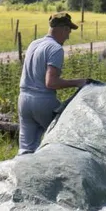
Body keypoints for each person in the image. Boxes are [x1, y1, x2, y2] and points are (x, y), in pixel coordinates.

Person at [16, 11, 88, 154]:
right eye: (68, 31)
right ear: (63, 29)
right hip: (43, 101)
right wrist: (79, 82)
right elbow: (51, 82)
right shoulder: (55, 49)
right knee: (67, 138)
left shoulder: (34, 44)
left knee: (26, 149)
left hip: (24, 101)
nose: (68, 36)